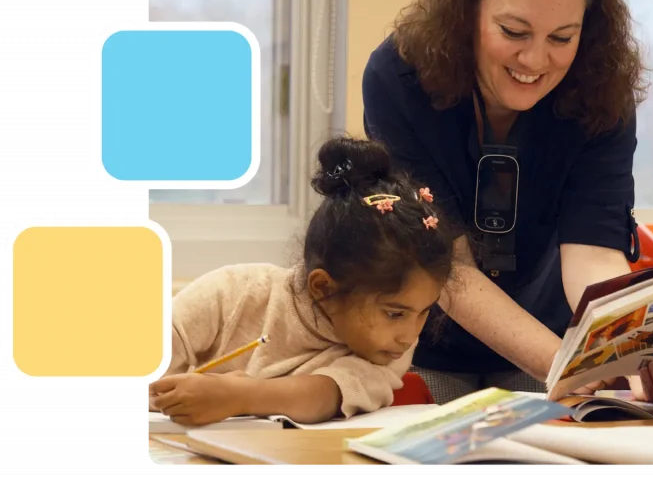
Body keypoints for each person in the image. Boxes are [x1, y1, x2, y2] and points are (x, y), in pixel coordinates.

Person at [361, 0, 653, 405]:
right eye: (514, 32)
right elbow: (450, 270)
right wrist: (569, 364)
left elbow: (593, 253)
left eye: (562, 37)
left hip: (548, 328)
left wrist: (632, 351)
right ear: (467, 11)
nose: (535, 59)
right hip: (424, 336)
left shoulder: (600, 89)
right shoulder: (400, 78)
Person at [147, 135, 458, 426]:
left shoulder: (388, 355)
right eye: (395, 313)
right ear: (323, 287)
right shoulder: (234, 292)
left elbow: (324, 395)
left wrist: (239, 396)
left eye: (424, 312)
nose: (409, 336)